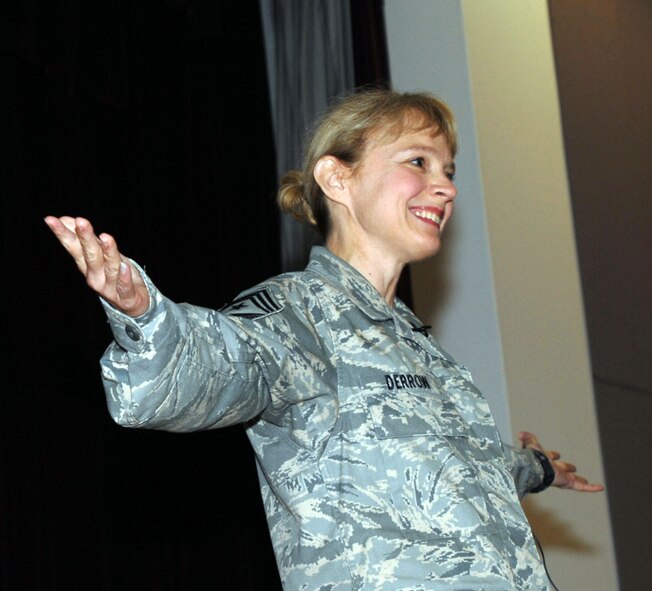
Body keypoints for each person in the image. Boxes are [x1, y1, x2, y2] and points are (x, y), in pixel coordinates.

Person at [45, 88, 603, 591]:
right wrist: (145, 314)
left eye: (449, 170)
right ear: (337, 179)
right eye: (418, 162)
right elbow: (214, 365)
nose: (446, 187)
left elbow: (446, 470)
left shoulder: (417, 345)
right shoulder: (299, 314)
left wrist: (536, 466)